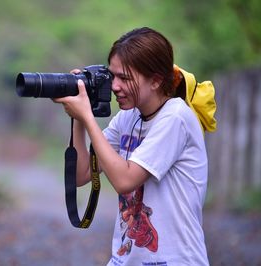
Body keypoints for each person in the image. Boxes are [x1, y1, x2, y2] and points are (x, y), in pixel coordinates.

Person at [53, 27, 213, 265]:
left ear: (156, 81)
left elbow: (125, 180)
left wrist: (87, 116)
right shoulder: (129, 117)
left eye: (125, 78)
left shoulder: (176, 117)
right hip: (125, 259)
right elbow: (82, 174)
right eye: (113, 76)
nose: (115, 86)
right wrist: (77, 114)